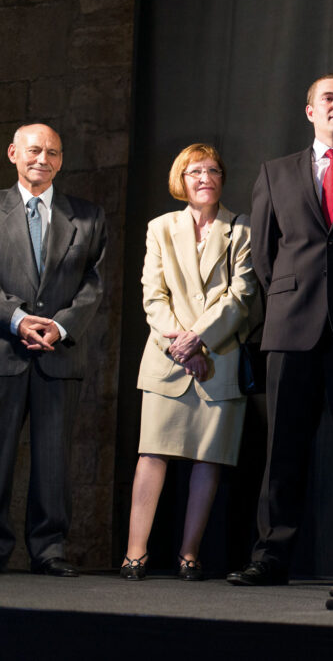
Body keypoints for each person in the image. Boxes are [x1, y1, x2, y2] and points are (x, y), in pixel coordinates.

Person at [228, 73, 333, 586]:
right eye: (328, 98)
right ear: (310, 110)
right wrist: (293, 300)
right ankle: (271, 556)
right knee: (282, 452)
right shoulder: (276, 172)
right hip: (291, 330)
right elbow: (266, 255)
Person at [122, 144, 258, 581]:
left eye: (213, 170)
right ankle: (134, 553)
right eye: (195, 171)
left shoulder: (243, 230)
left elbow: (242, 298)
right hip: (168, 359)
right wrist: (181, 347)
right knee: (152, 453)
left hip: (218, 357)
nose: (205, 178)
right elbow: (152, 296)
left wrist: (198, 342)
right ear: (181, 179)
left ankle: (189, 554)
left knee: (208, 458)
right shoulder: (160, 228)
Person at [0, 124, 107, 577]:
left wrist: (60, 328)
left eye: (53, 153)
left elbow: (94, 284)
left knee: (54, 461)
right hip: (4, 352)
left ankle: (49, 549)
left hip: (58, 357)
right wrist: (19, 318)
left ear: (61, 161)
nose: (42, 159)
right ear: (13, 154)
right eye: (34, 150)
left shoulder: (88, 216)